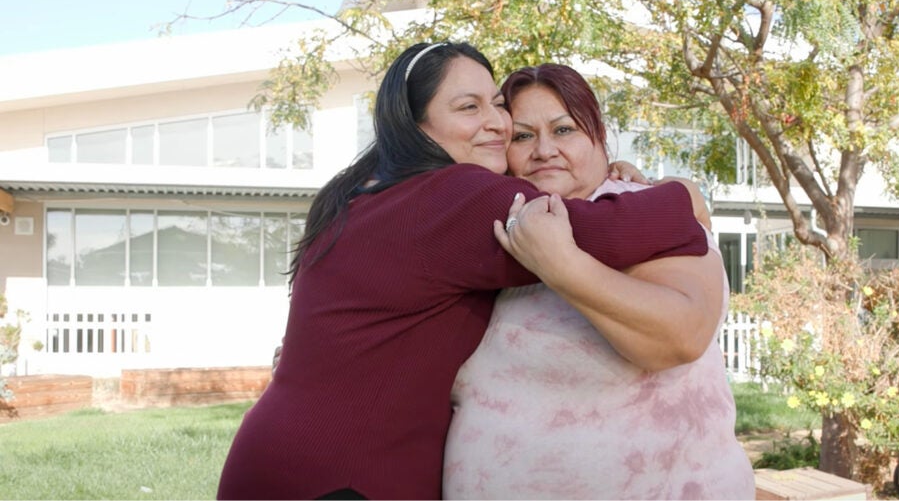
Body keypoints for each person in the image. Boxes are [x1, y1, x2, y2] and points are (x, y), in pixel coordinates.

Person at [216, 43, 710, 500]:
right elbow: (603, 231)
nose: (495, 121)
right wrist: (684, 192)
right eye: (468, 108)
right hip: (346, 473)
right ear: (415, 125)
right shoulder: (453, 194)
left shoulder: (362, 193)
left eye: (497, 103)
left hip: (280, 453)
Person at [443, 64, 755, 500]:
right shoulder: (499, 226)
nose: (544, 150)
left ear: (599, 137)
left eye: (564, 129)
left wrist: (563, 265)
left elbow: (679, 335)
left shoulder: (642, 214)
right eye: (523, 136)